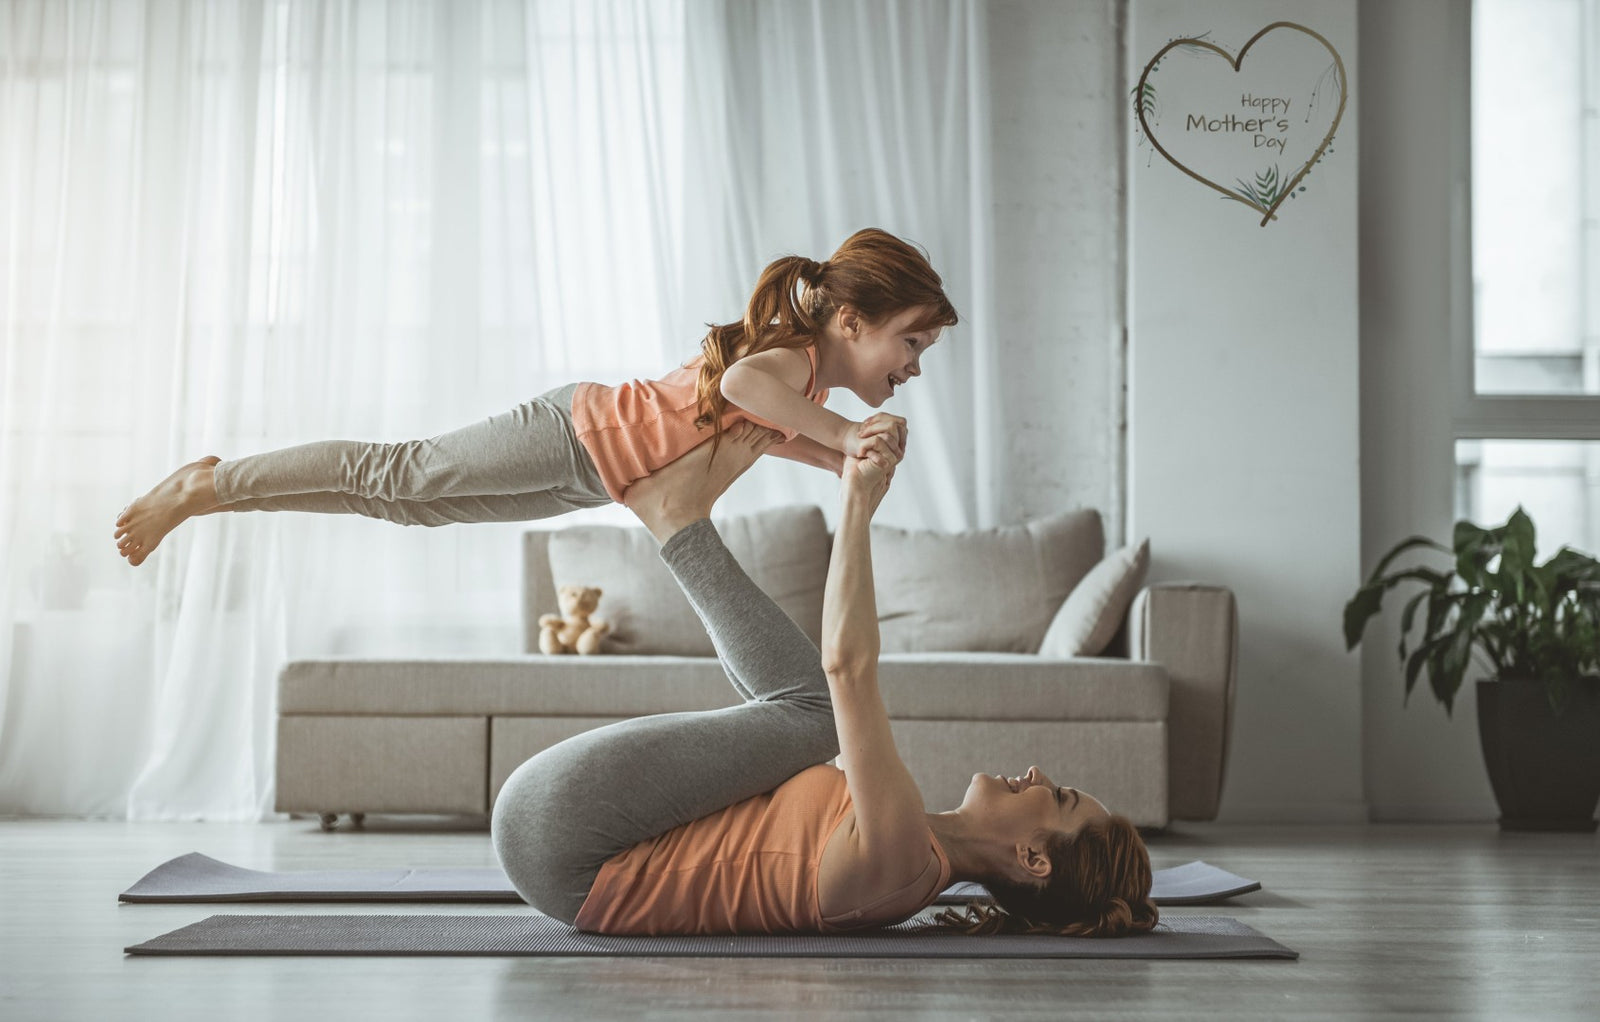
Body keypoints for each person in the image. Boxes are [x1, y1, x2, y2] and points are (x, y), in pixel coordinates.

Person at [491, 421, 1159, 937]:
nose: (1040, 774)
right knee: (807, 719)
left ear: (1033, 860)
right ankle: (678, 519)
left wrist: (858, 503)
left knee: (816, 717)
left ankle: (677, 520)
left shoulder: (902, 862)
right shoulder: (910, 847)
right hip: (563, 839)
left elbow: (847, 670)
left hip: (566, 840)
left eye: (1061, 797)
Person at [113, 228, 958, 565]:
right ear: (851, 320)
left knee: (407, 508)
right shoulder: (790, 359)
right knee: (398, 472)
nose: (915, 363)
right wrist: (848, 439)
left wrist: (833, 464)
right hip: (576, 432)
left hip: (593, 478)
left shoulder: (802, 382)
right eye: (911, 340)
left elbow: (765, 428)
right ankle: (206, 486)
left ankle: (223, 495)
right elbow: (740, 385)